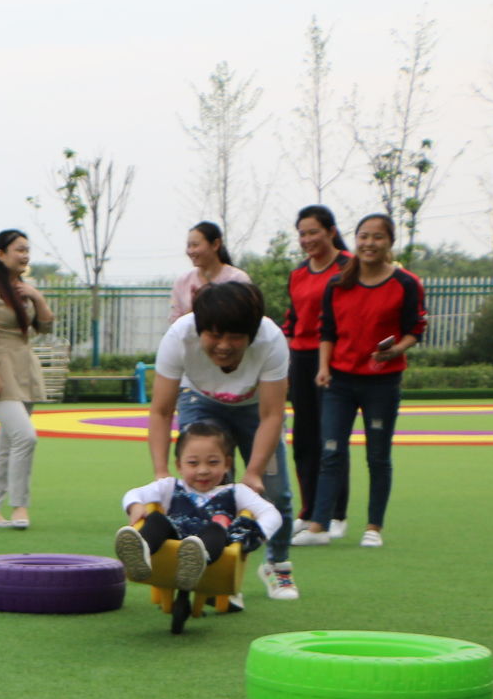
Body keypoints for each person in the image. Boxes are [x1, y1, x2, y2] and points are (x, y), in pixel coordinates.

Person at [146, 280, 298, 601]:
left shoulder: (271, 340)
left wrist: (254, 472)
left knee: (276, 491)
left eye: (235, 337)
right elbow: (160, 411)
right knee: (208, 487)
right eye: (214, 335)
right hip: (200, 400)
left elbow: (272, 415)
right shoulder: (179, 337)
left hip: (255, 407)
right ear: (200, 328)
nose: (224, 345)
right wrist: (161, 469)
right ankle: (218, 572)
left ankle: (277, 565)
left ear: (252, 334)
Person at [301, 212, 424, 549]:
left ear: (389, 242)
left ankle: (373, 526)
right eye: (364, 236)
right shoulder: (338, 283)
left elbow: (415, 329)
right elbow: (327, 330)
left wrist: (395, 349)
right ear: (355, 240)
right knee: (331, 452)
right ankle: (319, 526)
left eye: (377, 237)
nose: (369, 244)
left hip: (382, 383)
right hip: (339, 381)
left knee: (377, 455)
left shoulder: (406, 283)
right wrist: (323, 368)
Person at [115, 420, 283, 634]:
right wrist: (135, 506)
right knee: (157, 520)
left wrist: (253, 534)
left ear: (227, 464)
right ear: (179, 465)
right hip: (174, 539)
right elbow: (134, 494)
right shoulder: (170, 486)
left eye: (213, 463)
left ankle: (196, 558)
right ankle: (141, 553)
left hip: (211, 551)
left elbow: (271, 513)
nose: (203, 471)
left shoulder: (237, 492)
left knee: (216, 529)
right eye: (193, 463)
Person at [0, 229, 54, 529]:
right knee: (25, 437)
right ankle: (19, 506)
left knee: (7, 444)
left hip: (24, 371)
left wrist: (37, 297)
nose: (25, 254)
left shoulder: (24, 289)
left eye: (27, 249)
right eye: (18, 249)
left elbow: (44, 327)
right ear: (1, 254)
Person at [283, 205, 350, 536]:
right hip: (301, 359)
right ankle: (309, 510)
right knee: (305, 440)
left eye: (313, 232)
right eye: (302, 233)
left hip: (336, 360)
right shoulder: (298, 273)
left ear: (331, 231)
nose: (307, 239)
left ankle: (336, 514)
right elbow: (291, 320)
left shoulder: (349, 268)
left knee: (332, 439)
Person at [170, 222, 252, 320]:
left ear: (215, 245)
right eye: (188, 246)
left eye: (195, 245)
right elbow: (175, 321)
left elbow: (247, 318)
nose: (190, 251)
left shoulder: (237, 279)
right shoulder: (182, 282)